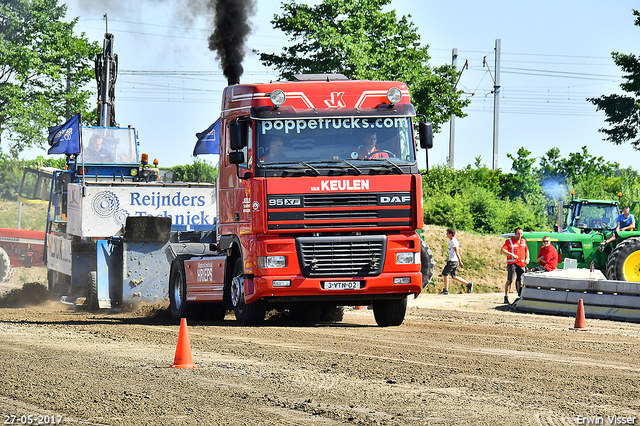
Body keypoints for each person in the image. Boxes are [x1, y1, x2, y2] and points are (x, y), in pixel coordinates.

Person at [439, 228, 474, 295]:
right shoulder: (453, 241)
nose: (446, 234)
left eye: (447, 233)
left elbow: (457, 252)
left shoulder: (453, 241)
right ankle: (468, 284)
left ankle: (446, 290)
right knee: (454, 276)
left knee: (445, 274)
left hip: (453, 261)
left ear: (451, 234)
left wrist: (460, 262)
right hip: (455, 261)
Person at [500, 227, 529, 304]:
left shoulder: (523, 241)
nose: (520, 235)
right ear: (515, 233)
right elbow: (502, 250)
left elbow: (526, 250)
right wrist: (511, 254)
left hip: (521, 263)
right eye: (518, 233)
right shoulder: (509, 241)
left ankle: (520, 296)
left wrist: (527, 258)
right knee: (510, 280)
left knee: (520, 280)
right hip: (512, 263)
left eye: (521, 233)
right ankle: (506, 297)